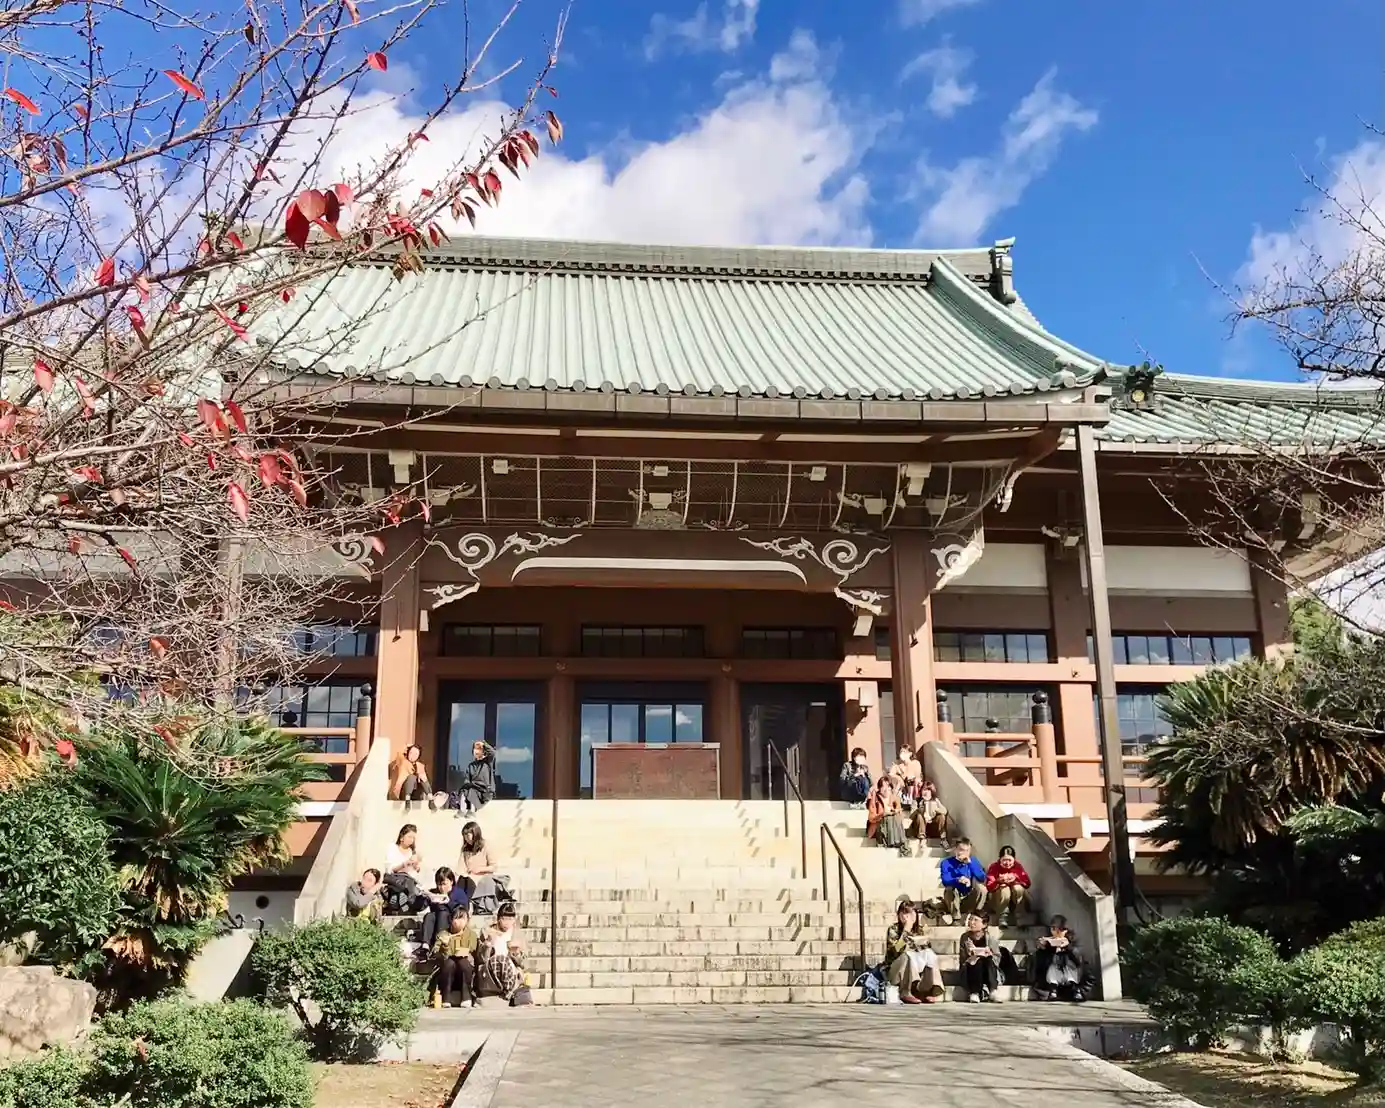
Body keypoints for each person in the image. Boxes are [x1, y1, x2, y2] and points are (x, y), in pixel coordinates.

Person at [884, 898, 943, 1004]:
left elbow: (926, 951)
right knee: (906, 955)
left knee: (930, 954)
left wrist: (922, 943)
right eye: (904, 913)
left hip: (917, 967)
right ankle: (905, 992)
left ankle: (931, 990)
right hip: (897, 969)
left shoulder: (920, 930)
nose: (907, 917)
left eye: (910, 913)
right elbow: (896, 951)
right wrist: (906, 930)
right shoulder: (893, 929)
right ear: (899, 915)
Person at [474, 902, 525, 1002]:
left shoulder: (516, 934)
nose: (507, 922)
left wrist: (516, 954)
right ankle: (504, 992)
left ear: (514, 920)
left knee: (506, 962)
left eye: (510, 919)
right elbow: (481, 958)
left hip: (510, 970)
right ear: (498, 918)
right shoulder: (487, 931)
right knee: (501, 960)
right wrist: (488, 944)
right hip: (491, 969)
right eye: (504, 919)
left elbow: (522, 963)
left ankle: (508, 990)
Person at [1033, 915, 1088, 1002]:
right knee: (1053, 967)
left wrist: (1068, 948)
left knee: (1070, 966)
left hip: (1070, 975)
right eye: (1054, 929)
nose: (1057, 932)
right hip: (1053, 977)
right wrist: (1046, 947)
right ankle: (1053, 991)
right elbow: (1041, 965)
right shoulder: (1048, 943)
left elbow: (1079, 961)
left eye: (1061, 929)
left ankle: (1075, 991)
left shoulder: (1071, 942)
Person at [432, 909, 478, 1007]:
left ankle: (467, 997)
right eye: (457, 918)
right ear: (451, 920)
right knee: (450, 962)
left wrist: (463, 952)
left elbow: (472, 949)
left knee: (463, 962)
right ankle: (446, 998)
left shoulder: (471, 935)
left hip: (465, 970)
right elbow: (436, 952)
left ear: (467, 920)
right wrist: (444, 946)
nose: (460, 921)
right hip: (448, 970)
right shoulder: (443, 934)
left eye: (463, 919)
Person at [459, 820, 506, 915]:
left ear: (475, 833)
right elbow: (461, 867)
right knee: (461, 880)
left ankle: (465, 910)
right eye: (464, 835)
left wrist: (479, 869)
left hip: (483, 877)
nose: (466, 838)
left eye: (468, 834)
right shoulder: (465, 849)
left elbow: (494, 867)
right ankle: (461, 908)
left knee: (469, 882)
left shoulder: (486, 845)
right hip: (469, 876)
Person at [938, 837, 987, 924]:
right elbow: (945, 881)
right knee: (949, 889)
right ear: (955, 850)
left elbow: (982, 877)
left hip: (968, 896)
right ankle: (956, 919)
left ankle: (975, 915)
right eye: (961, 850)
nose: (964, 853)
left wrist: (970, 864)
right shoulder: (946, 862)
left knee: (982, 889)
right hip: (954, 897)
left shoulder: (973, 861)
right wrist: (958, 880)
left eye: (967, 850)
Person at [421, 866, 471, 949]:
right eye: (439, 884)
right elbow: (421, 906)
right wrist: (424, 897)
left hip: (452, 922)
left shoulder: (458, 893)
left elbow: (464, 910)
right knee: (429, 916)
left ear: (451, 881)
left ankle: (440, 944)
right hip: (436, 922)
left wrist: (448, 902)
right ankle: (425, 945)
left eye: (444, 884)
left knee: (443, 913)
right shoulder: (435, 892)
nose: (441, 888)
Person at [959, 911, 1002, 1003]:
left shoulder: (990, 938)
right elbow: (962, 960)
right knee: (976, 961)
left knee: (988, 960)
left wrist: (990, 954)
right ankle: (974, 992)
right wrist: (970, 955)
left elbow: (997, 957)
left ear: (984, 925)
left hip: (987, 969)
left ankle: (993, 990)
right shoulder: (965, 938)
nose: (972, 922)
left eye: (975, 920)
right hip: (971, 969)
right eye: (970, 919)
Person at [985, 845, 1032, 926]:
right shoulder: (994, 867)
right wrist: (998, 881)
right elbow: (989, 886)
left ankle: (1020, 915)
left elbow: (1027, 883)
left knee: (1018, 888)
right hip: (999, 900)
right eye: (1004, 860)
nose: (1007, 863)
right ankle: (1003, 917)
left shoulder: (1017, 866)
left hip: (1015, 901)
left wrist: (1015, 878)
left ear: (1014, 859)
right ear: (1000, 859)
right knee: (1004, 888)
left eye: (1009, 860)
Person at [383, 823, 424, 912]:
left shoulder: (411, 852)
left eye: (413, 838)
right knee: (403, 886)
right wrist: (403, 865)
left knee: (411, 885)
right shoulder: (392, 848)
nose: (411, 840)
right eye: (409, 837)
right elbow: (389, 869)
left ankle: (400, 902)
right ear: (402, 837)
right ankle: (400, 902)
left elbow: (414, 873)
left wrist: (416, 867)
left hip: (408, 880)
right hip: (395, 878)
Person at [866, 776, 909, 856]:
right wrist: (883, 814)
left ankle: (898, 842)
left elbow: (900, 816)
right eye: (883, 786)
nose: (886, 789)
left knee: (895, 817)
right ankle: (900, 843)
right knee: (889, 817)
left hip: (893, 827)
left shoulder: (894, 798)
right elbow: (871, 818)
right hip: (878, 827)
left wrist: (896, 811)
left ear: (891, 787)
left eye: (888, 786)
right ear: (879, 788)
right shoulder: (875, 799)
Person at [460, 741, 498, 813]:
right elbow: (467, 780)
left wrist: (483, 743)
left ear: (483, 751)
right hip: (473, 788)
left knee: (472, 792)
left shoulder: (487, 762)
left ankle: (472, 811)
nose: (476, 751)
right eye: (475, 749)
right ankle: (462, 810)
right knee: (465, 790)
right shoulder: (471, 765)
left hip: (485, 791)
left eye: (479, 749)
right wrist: (466, 785)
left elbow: (492, 752)